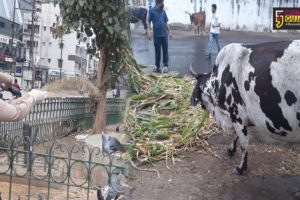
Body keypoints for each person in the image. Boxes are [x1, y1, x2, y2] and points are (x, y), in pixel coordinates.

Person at [147, 0, 172, 73]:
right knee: (157, 51)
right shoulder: (151, 11)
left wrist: (170, 32)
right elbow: (148, 21)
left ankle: (165, 65)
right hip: (157, 35)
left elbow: (166, 22)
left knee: (165, 51)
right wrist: (149, 31)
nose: (163, 4)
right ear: (158, 3)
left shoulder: (163, 11)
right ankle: (157, 66)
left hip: (164, 35)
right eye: (162, 2)